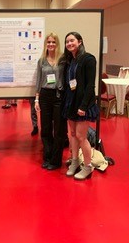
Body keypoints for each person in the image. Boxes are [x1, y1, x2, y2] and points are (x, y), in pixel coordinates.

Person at [59, 31, 99, 180]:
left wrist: (83, 106)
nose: (69, 43)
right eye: (67, 41)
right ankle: (75, 162)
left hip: (83, 104)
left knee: (82, 137)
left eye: (72, 41)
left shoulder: (88, 59)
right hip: (70, 103)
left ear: (80, 42)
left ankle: (88, 167)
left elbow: (90, 86)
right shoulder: (70, 61)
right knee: (73, 135)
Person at [34, 33, 67, 170]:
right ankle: (47, 157)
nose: (51, 44)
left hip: (59, 96)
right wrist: (36, 98)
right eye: (49, 42)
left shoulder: (63, 59)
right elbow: (38, 80)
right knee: (46, 129)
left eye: (53, 42)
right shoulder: (42, 60)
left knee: (59, 130)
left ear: (57, 43)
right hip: (45, 96)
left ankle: (56, 160)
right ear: (45, 44)